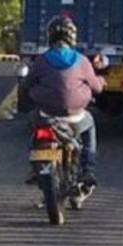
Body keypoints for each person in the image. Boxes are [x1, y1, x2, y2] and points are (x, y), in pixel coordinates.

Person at [23, 15, 107, 194]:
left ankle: (34, 166)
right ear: (72, 37)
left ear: (50, 36)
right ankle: (88, 170)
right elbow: (97, 87)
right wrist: (101, 80)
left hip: (47, 114)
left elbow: (27, 84)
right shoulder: (82, 61)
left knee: (33, 127)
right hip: (75, 116)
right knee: (90, 125)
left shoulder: (41, 60)